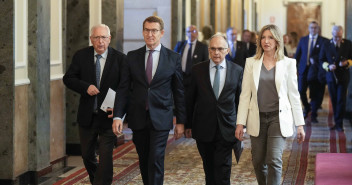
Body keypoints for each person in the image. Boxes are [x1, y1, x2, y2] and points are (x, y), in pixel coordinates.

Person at [112, 16, 186, 185]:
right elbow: (123, 89)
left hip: (161, 117)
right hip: (138, 117)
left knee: (155, 159)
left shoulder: (173, 58)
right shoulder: (132, 57)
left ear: (161, 33)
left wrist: (181, 121)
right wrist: (118, 116)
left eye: (154, 31)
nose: (150, 34)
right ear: (143, 32)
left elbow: (179, 92)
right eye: (147, 30)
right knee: (144, 160)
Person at [235, 24, 305, 185]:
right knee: (258, 161)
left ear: (277, 40)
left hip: (278, 118)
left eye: (270, 37)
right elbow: (245, 95)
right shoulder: (251, 63)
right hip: (257, 117)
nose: (266, 41)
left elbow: (294, 95)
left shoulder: (288, 63)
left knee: (274, 159)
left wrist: (300, 125)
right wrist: (240, 123)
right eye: (263, 37)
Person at [63, 24, 125, 184]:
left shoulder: (120, 59)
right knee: (87, 156)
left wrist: (119, 111)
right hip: (87, 115)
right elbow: (68, 78)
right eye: (96, 37)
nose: (100, 41)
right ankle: (98, 180)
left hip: (108, 116)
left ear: (109, 39)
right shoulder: (81, 56)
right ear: (91, 39)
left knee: (106, 158)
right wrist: (85, 87)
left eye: (104, 37)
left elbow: (125, 88)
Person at [186, 34, 243, 185]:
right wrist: (187, 125)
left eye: (220, 49)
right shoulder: (198, 70)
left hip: (227, 128)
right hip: (203, 127)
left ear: (227, 50)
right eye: (213, 49)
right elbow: (190, 99)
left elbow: (240, 101)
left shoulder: (237, 70)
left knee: (223, 170)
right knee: (209, 169)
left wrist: (241, 124)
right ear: (209, 50)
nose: (216, 52)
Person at [319, 25, 352, 132]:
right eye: (336, 36)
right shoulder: (326, 44)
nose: (338, 39)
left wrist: (347, 63)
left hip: (343, 76)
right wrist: (328, 66)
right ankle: (336, 121)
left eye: (340, 36)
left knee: (341, 100)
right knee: (334, 100)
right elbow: (321, 60)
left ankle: (339, 124)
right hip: (331, 77)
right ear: (332, 34)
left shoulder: (347, 44)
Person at [295, 21, 328, 122]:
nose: (313, 29)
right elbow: (298, 55)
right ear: (308, 29)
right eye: (311, 28)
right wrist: (293, 68)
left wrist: (317, 60)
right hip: (303, 70)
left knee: (314, 93)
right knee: (301, 90)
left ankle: (313, 114)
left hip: (316, 71)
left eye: (315, 28)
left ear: (318, 29)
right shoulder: (303, 40)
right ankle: (307, 107)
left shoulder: (324, 41)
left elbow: (325, 56)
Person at [174, 25, 209, 93]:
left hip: (195, 80)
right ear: (186, 34)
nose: (191, 33)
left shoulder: (203, 47)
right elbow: (173, 60)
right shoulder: (180, 45)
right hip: (181, 78)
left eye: (193, 31)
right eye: (189, 32)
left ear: (197, 33)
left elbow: (205, 64)